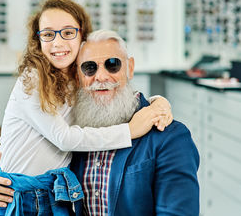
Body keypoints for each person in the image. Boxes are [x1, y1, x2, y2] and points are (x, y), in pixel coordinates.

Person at [0, 0, 174, 215]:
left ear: (82, 36)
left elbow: (114, 94)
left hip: (55, 194)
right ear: (37, 40)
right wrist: (130, 131)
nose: (58, 43)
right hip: (18, 196)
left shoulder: (80, 77)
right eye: (48, 34)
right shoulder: (31, 79)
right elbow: (64, 138)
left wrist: (157, 102)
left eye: (68, 33)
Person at [69, 29, 199, 215]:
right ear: (78, 75)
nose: (101, 77)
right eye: (89, 68)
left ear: (130, 68)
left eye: (112, 65)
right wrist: (11, 186)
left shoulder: (170, 137)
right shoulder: (71, 133)